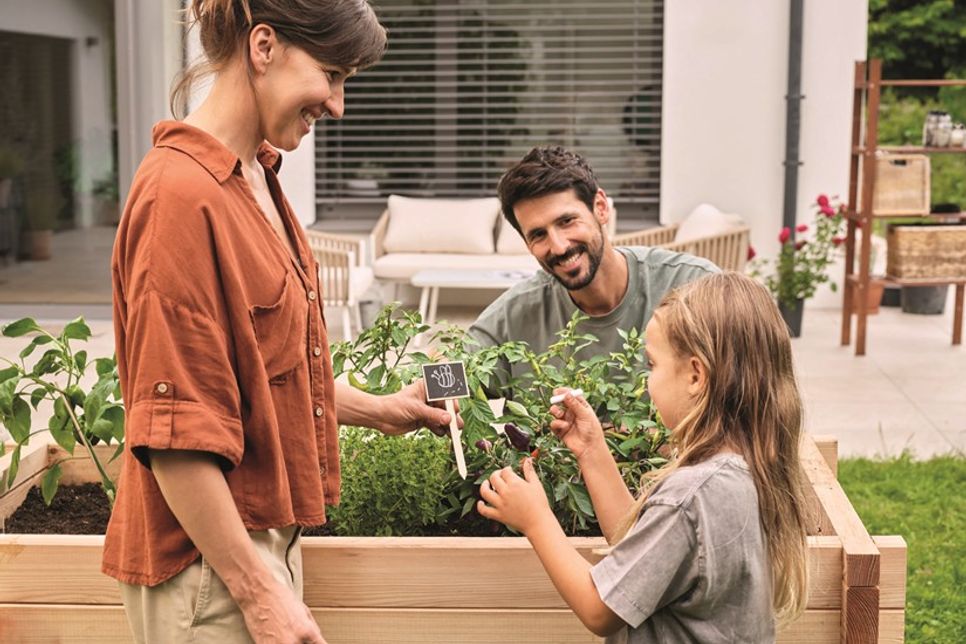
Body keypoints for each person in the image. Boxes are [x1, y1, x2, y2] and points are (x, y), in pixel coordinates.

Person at [102, 2, 455, 642]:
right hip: (206, 567)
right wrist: (260, 592)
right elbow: (173, 433)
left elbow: (261, 375)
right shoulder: (180, 198)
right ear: (263, 47)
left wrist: (380, 409)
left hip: (252, 546)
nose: (339, 104)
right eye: (332, 73)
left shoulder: (256, 178)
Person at [477, 272, 810, 642]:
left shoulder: (691, 495)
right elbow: (644, 553)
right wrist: (592, 450)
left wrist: (536, 519)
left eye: (652, 364)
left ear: (696, 375)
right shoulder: (740, 470)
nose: (648, 378)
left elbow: (598, 608)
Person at [469, 145, 717, 387]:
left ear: (600, 207)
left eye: (566, 221)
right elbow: (454, 364)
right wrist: (430, 386)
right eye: (538, 235)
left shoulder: (692, 285)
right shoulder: (518, 313)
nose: (558, 247)